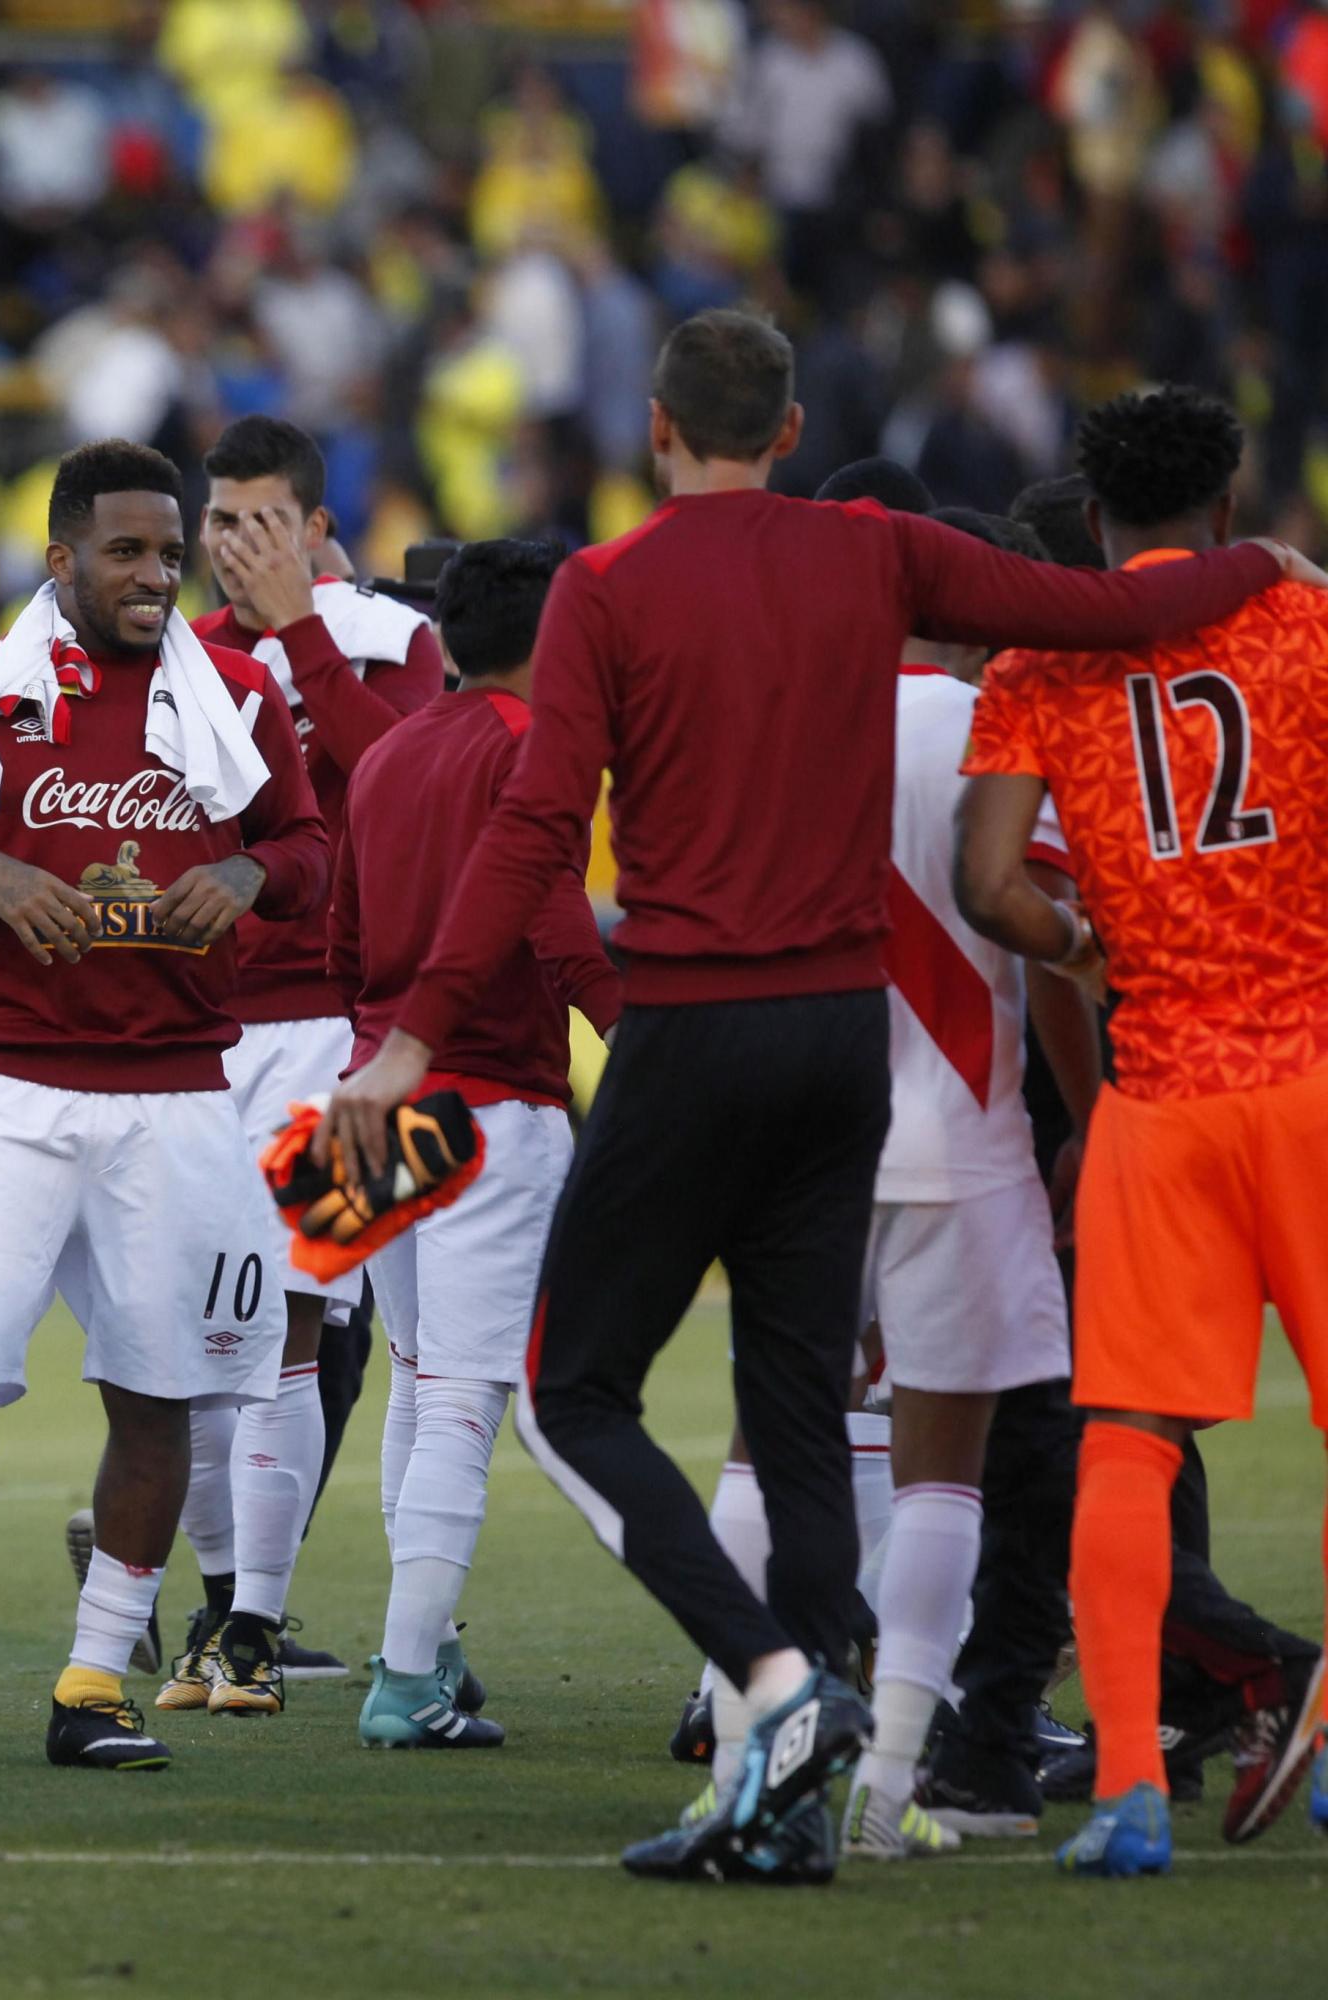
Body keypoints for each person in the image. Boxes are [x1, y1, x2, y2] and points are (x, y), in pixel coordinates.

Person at [324, 308, 1308, 1881]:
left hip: (697, 1030)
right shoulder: (871, 554)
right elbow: (1098, 611)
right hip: (841, 1041)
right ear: (789, 431)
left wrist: (412, 1035)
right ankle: (788, 1804)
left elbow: (533, 832)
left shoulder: (607, 584)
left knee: (577, 1389)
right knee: (798, 1423)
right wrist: (1257, 569)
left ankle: (778, 1686)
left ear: (657, 432)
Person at [0, 439, 330, 1771]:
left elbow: (307, 852)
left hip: (180, 1091)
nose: (155, 577)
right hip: (9, 1080)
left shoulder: (233, 692)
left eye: (170, 554)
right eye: (125, 552)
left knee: (158, 1393)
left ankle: (94, 1679)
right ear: (58, 559)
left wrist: (244, 880)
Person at [950, 384, 1328, 1878]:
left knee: (1126, 1442)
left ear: (1095, 522)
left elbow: (990, 885)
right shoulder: (1302, 625)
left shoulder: (1045, 658)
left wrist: (1086, 937)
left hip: (1156, 1094)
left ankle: (1125, 1794)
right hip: (1310, 1068)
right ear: (1226, 513)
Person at [825, 503, 1105, 1861]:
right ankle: (887, 1789)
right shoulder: (993, 727)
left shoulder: (785, 719)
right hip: (960, 1138)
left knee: (779, 1443)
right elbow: (1041, 949)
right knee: (949, 1473)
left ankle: (740, 1729)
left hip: (803, 1135)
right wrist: (1091, 1111)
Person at [163, 413, 446, 1702]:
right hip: (196, 1036)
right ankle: (221, 1614)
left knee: (316, 1322)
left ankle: (272, 1629)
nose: (235, 547)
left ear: (320, 526)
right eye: (219, 523)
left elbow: (408, 783)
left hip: (344, 1030)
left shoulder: (394, 637)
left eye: (263, 520)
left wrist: (303, 633)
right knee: (204, 1332)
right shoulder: (168, 651)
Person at [326, 538, 615, 1752]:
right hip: (491, 1097)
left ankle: (428, 1642)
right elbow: (553, 921)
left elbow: (344, 942)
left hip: (364, 1090)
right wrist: (637, 1038)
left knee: (411, 1369)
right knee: (461, 1392)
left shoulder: (387, 750)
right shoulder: (531, 749)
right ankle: (404, 1676)